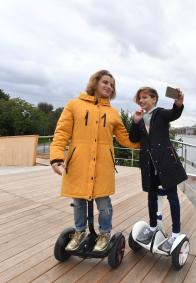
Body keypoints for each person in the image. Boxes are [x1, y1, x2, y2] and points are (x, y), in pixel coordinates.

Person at [50, 70, 139, 252]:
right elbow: (62, 133)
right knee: (79, 203)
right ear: (95, 83)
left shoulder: (113, 113)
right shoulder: (74, 105)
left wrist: (143, 134)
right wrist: (56, 157)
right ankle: (79, 232)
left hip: (103, 166)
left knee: (104, 204)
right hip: (79, 164)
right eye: (105, 82)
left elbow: (126, 140)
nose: (109, 86)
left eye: (112, 85)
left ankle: (105, 233)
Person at [129, 86, 187, 252]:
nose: (142, 100)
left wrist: (178, 103)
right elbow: (133, 138)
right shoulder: (140, 119)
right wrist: (135, 121)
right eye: (140, 98)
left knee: (172, 197)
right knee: (151, 197)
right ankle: (153, 227)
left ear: (154, 99)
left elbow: (174, 114)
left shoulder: (161, 113)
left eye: (145, 97)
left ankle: (175, 233)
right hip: (149, 165)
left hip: (165, 163)